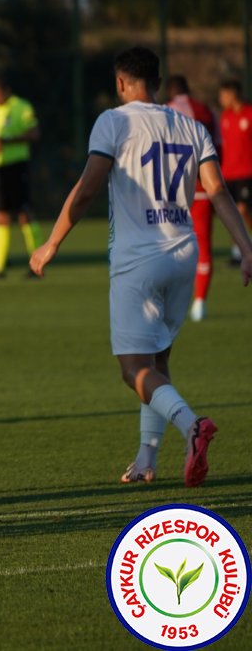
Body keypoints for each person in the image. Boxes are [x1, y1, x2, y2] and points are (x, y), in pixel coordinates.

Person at [30, 46, 252, 487]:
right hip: (183, 253)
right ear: (158, 80)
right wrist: (245, 246)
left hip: (139, 259)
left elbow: (89, 186)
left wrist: (52, 242)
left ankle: (192, 426)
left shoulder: (114, 121)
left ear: (120, 82)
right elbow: (218, 190)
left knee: (133, 369)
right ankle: (146, 458)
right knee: (158, 363)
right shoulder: (192, 126)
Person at [165, 75, 218, 322]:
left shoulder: (165, 111)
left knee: (167, 245)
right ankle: (200, 302)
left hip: (170, 192)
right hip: (203, 188)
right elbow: (218, 146)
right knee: (203, 245)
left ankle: (168, 300)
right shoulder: (205, 110)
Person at [0, 78, 41, 277]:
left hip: (17, 165)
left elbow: (34, 133)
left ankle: (37, 262)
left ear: (6, 91)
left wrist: (9, 140)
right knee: (0, 215)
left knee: (25, 214)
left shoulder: (21, 106)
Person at [218, 80, 252, 267]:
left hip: (247, 173)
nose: (221, 99)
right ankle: (236, 253)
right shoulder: (225, 116)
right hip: (228, 173)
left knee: (243, 210)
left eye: (224, 94)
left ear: (234, 93)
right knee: (232, 213)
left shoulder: (249, 113)